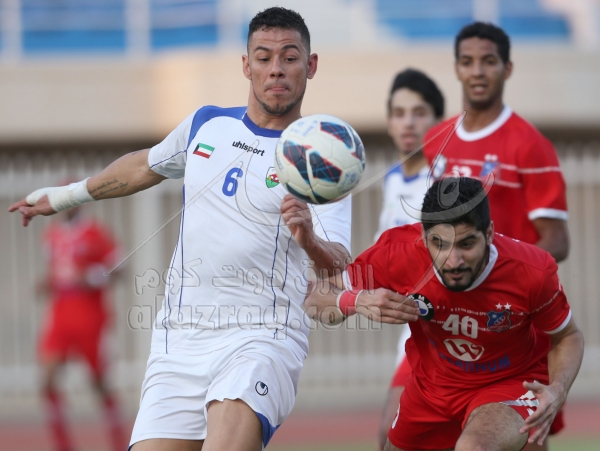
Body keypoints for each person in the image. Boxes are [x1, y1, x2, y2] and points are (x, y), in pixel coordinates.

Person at [9, 7, 352, 451]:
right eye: (264, 57)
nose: (276, 69)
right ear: (246, 65)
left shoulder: (322, 159)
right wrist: (64, 197)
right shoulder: (207, 124)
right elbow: (142, 167)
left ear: (311, 65)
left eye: (289, 57)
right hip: (179, 344)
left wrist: (310, 240)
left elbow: (338, 266)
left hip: (260, 339)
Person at [305, 177, 583, 451]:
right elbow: (313, 298)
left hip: (509, 383)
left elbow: (568, 336)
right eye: (439, 244)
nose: (453, 261)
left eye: (466, 244)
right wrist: (356, 301)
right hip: (432, 388)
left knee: (474, 448)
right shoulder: (397, 254)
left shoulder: (532, 270)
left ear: (489, 234)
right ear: (424, 237)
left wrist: (558, 389)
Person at [423, 22, 571, 449]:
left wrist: (506, 277)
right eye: (468, 62)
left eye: (488, 61)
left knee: (526, 438)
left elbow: (558, 239)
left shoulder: (529, 144)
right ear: (456, 68)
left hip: (514, 321)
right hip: (450, 316)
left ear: (506, 68)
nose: (477, 71)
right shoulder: (436, 139)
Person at [374, 68, 445, 451]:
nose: (408, 122)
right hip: (415, 328)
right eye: (399, 113)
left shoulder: (449, 180)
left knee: (392, 433)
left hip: (449, 326)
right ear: (388, 122)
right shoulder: (392, 180)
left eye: (419, 113)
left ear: (438, 121)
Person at [38, 204, 125, 451]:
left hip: (90, 316)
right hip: (60, 314)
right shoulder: (52, 235)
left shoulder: (95, 232)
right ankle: (62, 444)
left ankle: (118, 439)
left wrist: (93, 277)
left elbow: (120, 267)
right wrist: (47, 283)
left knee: (98, 382)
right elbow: (57, 273)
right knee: (48, 379)